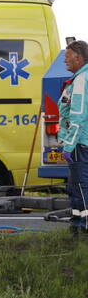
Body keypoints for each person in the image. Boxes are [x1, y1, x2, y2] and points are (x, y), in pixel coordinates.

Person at [58, 40, 88, 234]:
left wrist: (68, 145)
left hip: (79, 143)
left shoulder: (81, 80)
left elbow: (78, 115)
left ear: (78, 57)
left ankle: (83, 226)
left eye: (67, 57)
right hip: (81, 142)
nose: (65, 61)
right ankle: (76, 222)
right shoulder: (81, 77)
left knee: (80, 186)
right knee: (76, 185)